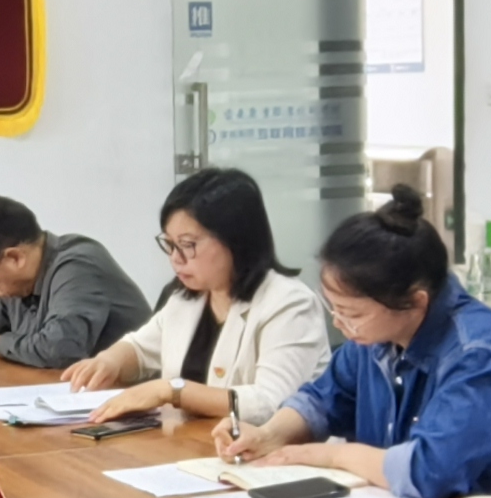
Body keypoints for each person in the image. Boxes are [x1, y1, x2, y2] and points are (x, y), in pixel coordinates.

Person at [224, 188, 491, 498]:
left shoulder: (476, 350)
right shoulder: (375, 336)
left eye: (352, 314)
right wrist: (269, 435)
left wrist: (332, 455)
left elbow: (431, 471)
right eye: (334, 308)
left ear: (416, 302)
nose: (339, 324)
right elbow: (323, 399)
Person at [61, 166, 329, 427]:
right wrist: (108, 361)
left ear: (236, 240)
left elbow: (271, 403)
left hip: (263, 452)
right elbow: (140, 349)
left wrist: (173, 391)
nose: (175, 258)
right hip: (192, 444)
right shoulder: (186, 298)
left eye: (187, 245)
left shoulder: (290, 303)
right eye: (170, 244)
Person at [0, 193, 142, 367]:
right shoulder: (18, 285)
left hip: (133, 401)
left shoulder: (77, 266)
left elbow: (62, 347)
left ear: (15, 258)